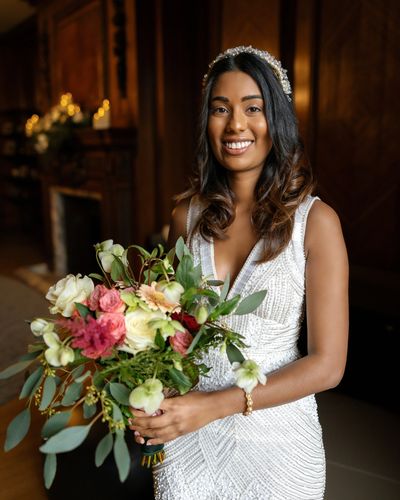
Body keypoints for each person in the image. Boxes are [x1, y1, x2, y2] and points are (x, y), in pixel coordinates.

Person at [130, 46, 348, 499]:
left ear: (278, 120)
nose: (235, 125)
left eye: (253, 108)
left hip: (278, 448)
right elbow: (172, 330)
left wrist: (214, 406)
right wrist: (149, 396)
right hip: (189, 442)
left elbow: (328, 365)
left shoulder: (316, 223)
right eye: (220, 109)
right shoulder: (185, 217)